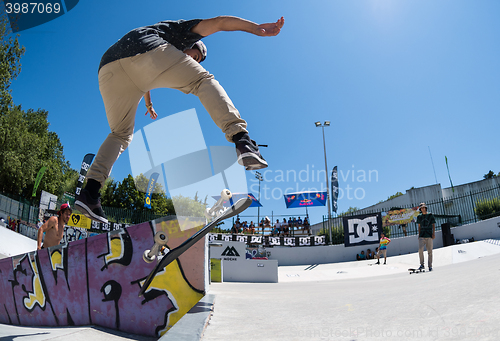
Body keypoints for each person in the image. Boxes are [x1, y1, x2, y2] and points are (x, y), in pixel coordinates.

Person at [75, 15, 285, 224]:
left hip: (109, 68)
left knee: (120, 134)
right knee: (202, 81)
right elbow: (219, 23)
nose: (194, 61)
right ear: (193, 45)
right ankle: (242, 139)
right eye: (195, 56)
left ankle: (90, 193)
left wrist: (148, 104)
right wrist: (256, 28)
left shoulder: (158, 42)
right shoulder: (182, 32)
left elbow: (141, 80)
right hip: (147, 52)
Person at [416, 202, 436, 271]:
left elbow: (433, 225)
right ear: (420, 209)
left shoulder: (430, 215)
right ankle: (422, 264)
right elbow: (419, 226)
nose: (423, 209)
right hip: (422, 235)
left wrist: (433, 233)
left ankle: (430, 266)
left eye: (424, 207)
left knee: (430, 251)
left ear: (426, 208)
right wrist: (419, 234)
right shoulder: (419, 217)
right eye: (421, 208)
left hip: (429, 235)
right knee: (420, 250)